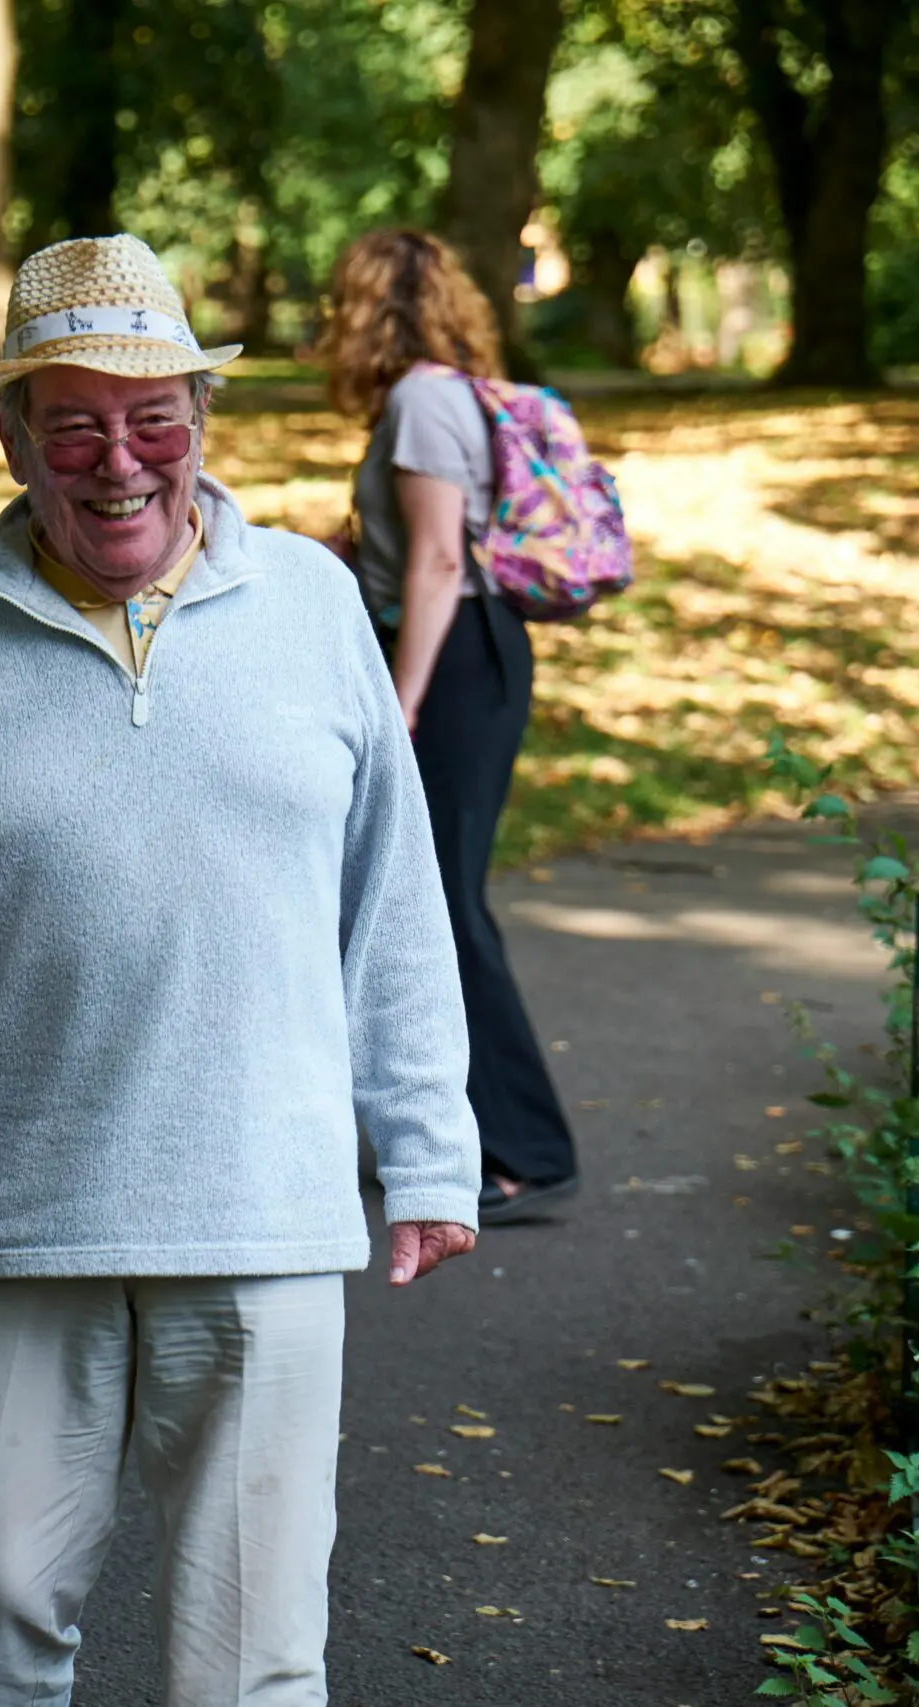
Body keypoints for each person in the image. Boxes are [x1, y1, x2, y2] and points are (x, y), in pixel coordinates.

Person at [0, 233, 481, 1707]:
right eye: (74, 423)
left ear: (202, 426)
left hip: (265, 1204)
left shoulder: (310, 604)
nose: (118, 461)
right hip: (24, 1208)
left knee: (255, 1650)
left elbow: (391, 895)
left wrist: (429, 1146)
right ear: (11, 435)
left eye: (153, 419)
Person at [318, 227, 579, 1225]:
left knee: (445, 908)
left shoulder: (424, 400)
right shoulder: (430, 397)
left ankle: (525, 1151)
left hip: (454, 659)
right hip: (454, 650)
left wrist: (404, 699)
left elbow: (435, 562)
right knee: (425, 902)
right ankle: (473, 1136)